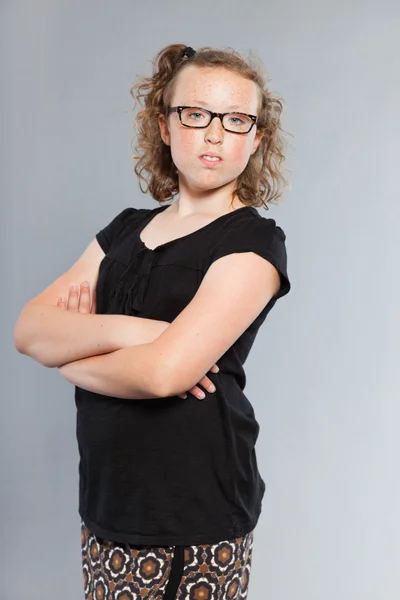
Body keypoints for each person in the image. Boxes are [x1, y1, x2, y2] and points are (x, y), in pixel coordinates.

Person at [14, 44, 292, 599]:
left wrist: (70, 357)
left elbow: (163, 375)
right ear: (164, 125)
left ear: (256, 139)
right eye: (196, 114)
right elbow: (29, 330)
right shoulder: (123, 230)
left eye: (237, 120)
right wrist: (136, 331)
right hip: (108, 498)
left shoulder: (254, 242)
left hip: (194, 510)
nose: (215, 134)